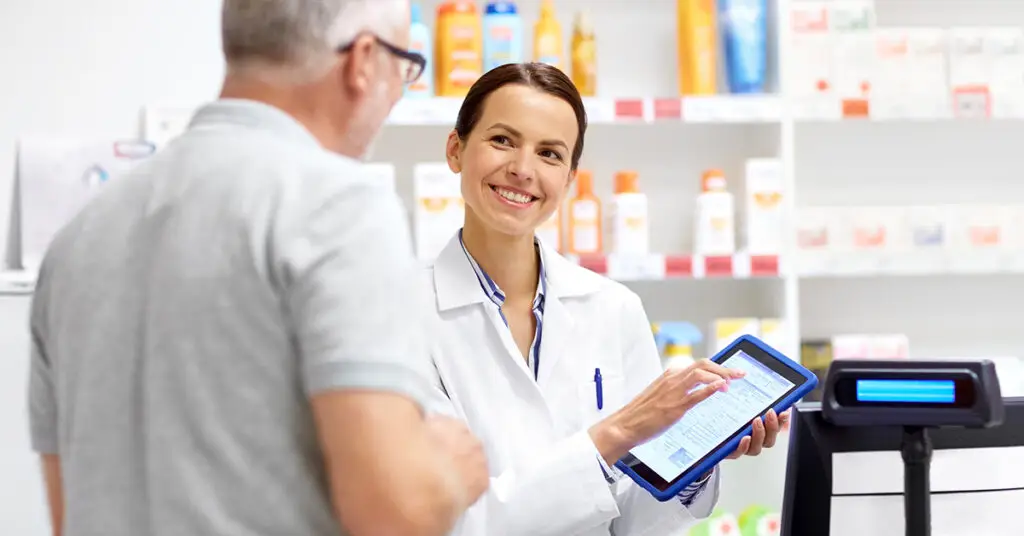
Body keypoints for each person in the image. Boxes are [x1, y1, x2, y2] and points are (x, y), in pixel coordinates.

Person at [26, 1, 488, 535]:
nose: (396, 90)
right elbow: (393, 516)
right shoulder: (336, 206)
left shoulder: (80, 236)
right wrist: (450, 473)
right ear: (363, 61)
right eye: (404, 67)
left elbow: (68, 516)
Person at [422, 62, 789, 536]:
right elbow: (446, 520)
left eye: (550, 154)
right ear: (456, 150)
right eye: (502, 140)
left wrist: (695, 458)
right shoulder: (399, 317)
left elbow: (637, 521)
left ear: (570, 178)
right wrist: (618, 433)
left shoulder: (612, 308)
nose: (523, 169)